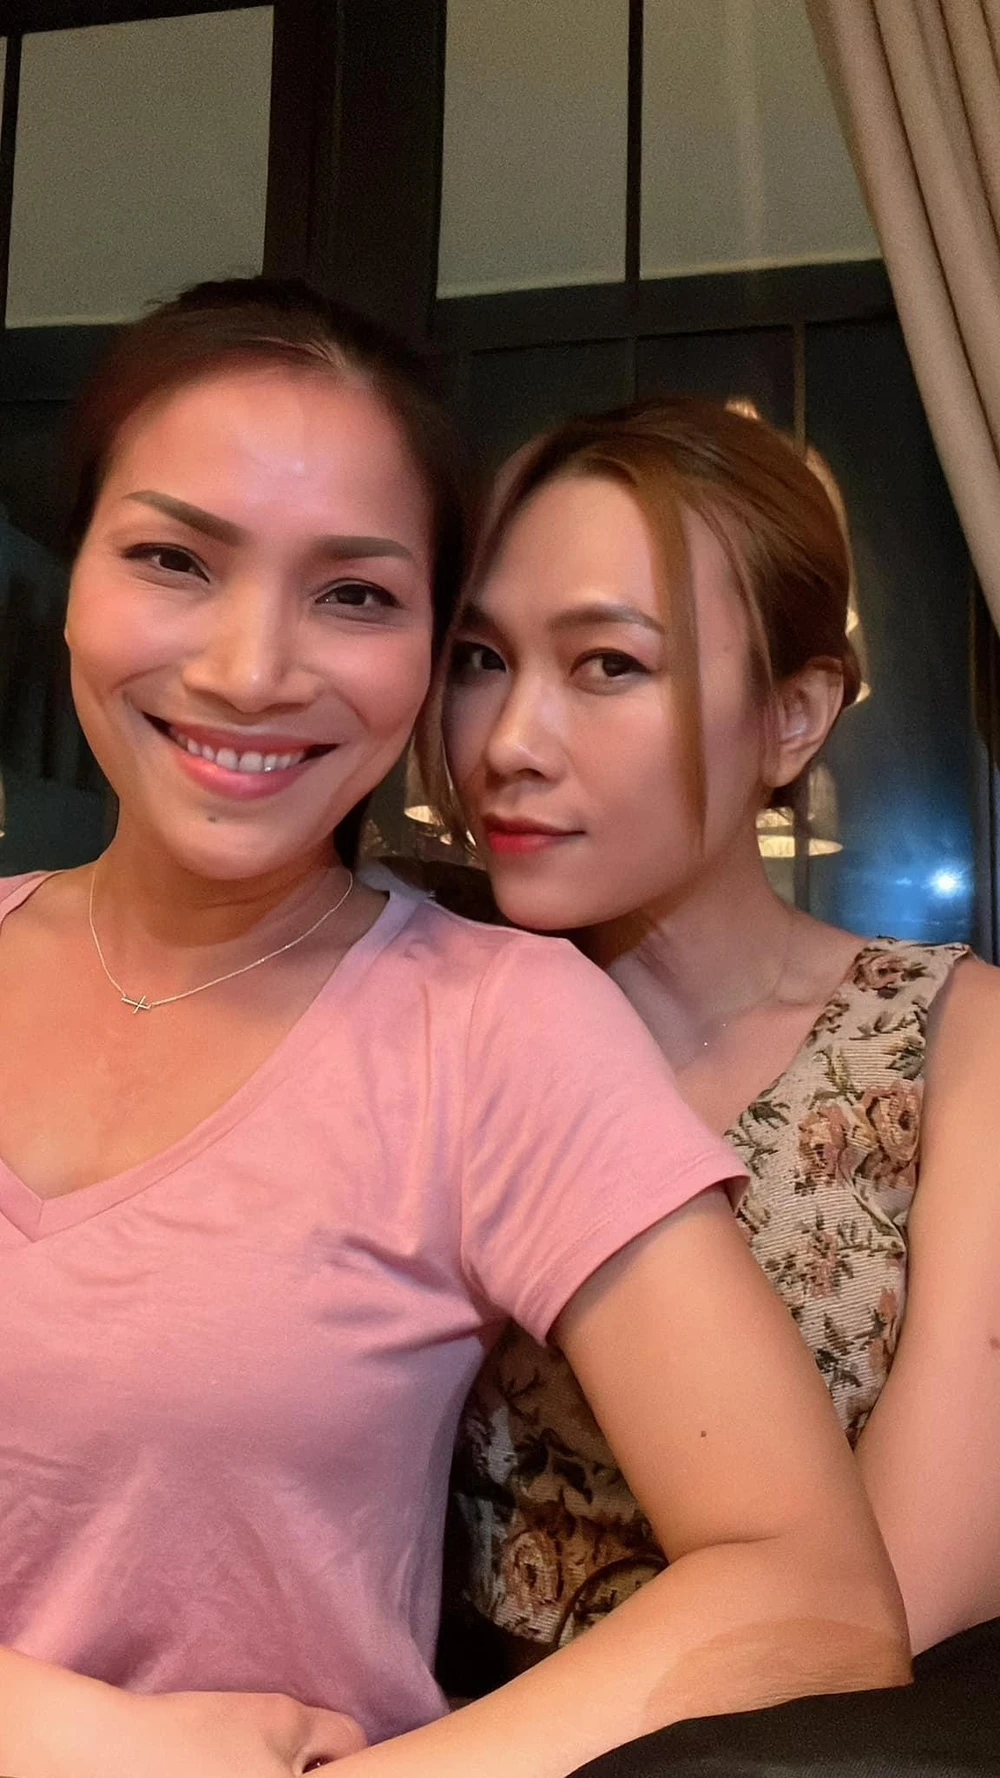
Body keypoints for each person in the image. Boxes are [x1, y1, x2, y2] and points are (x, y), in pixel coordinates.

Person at [0, 289, 908, 1778]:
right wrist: (63, 1732)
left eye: (354, 594)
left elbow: (811, 1595)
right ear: (73, 577)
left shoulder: (488, 1023)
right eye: (173, 558)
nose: (249, 668)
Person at [437, 396, 1000, 1698]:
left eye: (607, 665)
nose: (508, 743)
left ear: (793, 716)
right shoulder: (429, 1019)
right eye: (479, 659)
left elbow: (890, 1611)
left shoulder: (951, 1045)